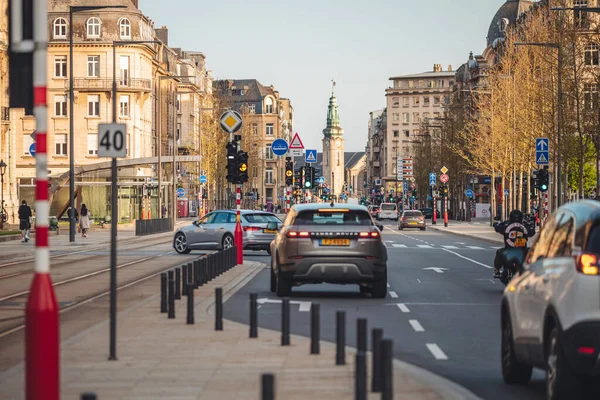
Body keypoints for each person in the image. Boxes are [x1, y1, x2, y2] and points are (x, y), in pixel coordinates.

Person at [493, 209, 534, 278]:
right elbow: (532, 232)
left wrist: (496, 225)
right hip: (523, 251)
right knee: (532, 252)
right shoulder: (525, 225)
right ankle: (534, 271)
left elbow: (498, 228)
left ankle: (496, 271)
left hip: (509, 250)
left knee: (499, 252)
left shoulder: (506, 224)